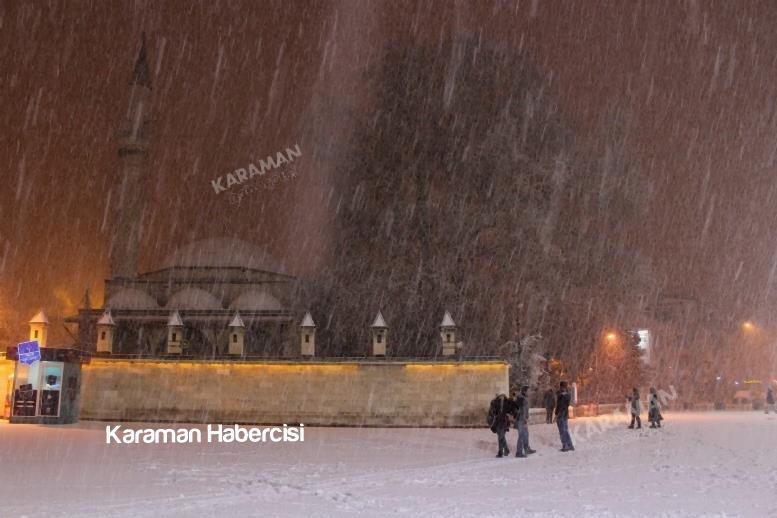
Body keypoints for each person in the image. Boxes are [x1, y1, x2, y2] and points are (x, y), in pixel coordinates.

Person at [487, 393, 516, 457]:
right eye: (500, 396)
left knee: (501, 437)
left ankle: (500, 452)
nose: (501, 397)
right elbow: (492, 412)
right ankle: (506, 449)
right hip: (497, 422)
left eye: (502, 396)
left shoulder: (507, 402)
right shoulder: (495, 402)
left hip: (504, 422)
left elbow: (511, 410)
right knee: (501, 437)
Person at [514, 386, 537, 457]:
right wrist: (524, 420)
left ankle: (527, 448)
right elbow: (522, 411)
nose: (529, 392)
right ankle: (519, 452)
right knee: (521, 435)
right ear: (524, 391)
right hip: (521, 420)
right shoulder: (522, 399)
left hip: (522, 419)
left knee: (526, 434)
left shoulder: (523, 398)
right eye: (528, 391)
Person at [555, 381, 574, 452]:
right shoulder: (568, 394)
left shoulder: (562, 395)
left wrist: (557, 414)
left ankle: (565, 446)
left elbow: (560, 406)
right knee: (565, 430)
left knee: (562, 431)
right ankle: (570, 445)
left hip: (561, 415)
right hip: (565, 414)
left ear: (562, 387)